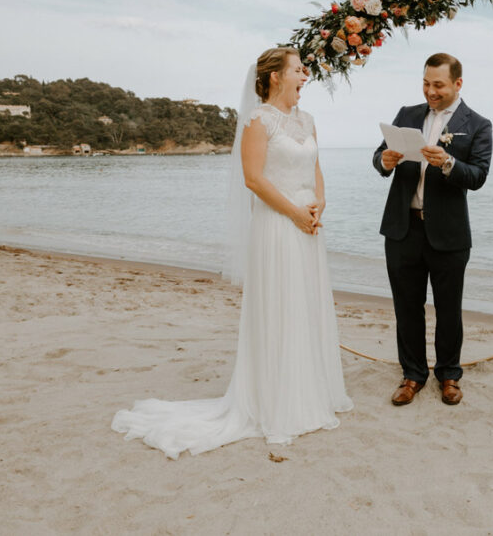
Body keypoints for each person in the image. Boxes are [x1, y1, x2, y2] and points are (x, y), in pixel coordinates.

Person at [112, 48, 352, 458]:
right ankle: (276, 402)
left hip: (308, 225)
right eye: (298, 69)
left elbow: (315, 169)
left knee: (306, 305)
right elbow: (254, 179)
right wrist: (294, 212)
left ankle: (309, 392)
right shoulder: (258, 121)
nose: (305, 75)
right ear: (276, 77)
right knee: (280, 306)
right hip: (277, 226)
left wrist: (319, 204)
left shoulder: (307, 120)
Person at [373, 53, 492, 406]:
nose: (430, 91)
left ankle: (449, 375)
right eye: (426, 83)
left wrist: (450, 163)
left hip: (449, 234)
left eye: (438, 85)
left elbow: (479, 176)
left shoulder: (478, 124)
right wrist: (385, 160)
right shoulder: (407, 114)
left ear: (457, 83)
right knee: (407, 307)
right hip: (402, 228)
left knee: (449, 309)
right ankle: (412, 375)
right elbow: (379, 155)